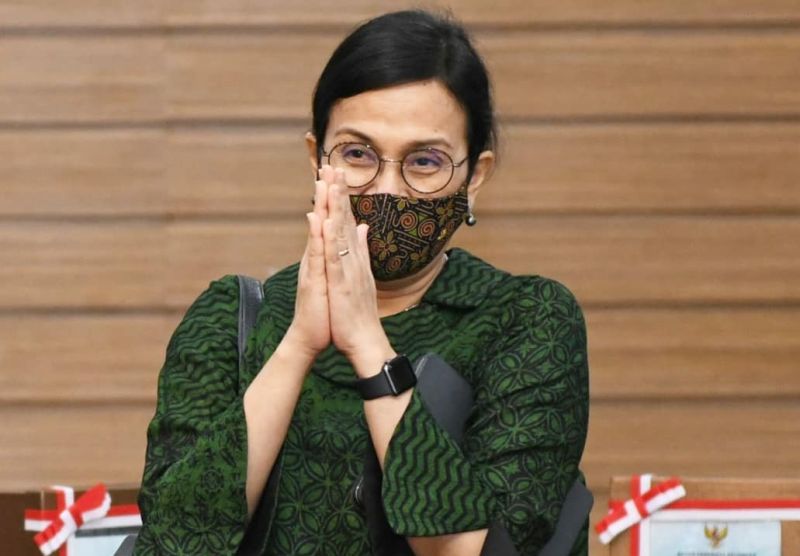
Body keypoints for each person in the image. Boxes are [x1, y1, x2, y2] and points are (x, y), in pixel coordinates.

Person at [133, 9, 589, 556]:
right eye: (357, 154)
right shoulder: (228, 316)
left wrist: (369, 344)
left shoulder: (527, 318)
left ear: (474, 177)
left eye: (425, 161)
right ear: (316, 158)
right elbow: (175, 540)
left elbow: (484, 549)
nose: (387, 188)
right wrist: (298, 344)